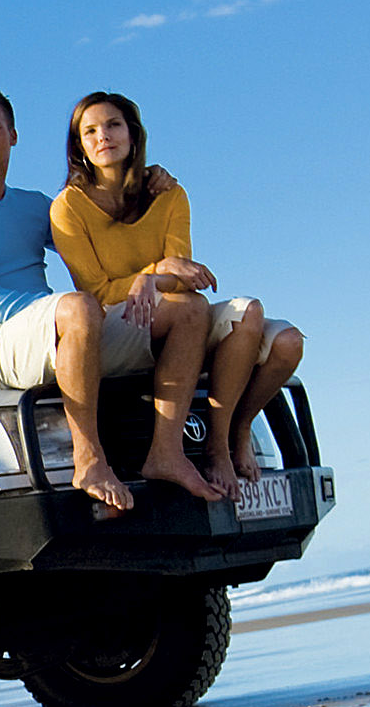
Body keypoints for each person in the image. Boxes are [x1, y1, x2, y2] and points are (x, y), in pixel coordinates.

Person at [0, 87, 216, 515]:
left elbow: (100, 229)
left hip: (58, 329)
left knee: (187, 310)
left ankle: (167, 452)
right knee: (79, 307)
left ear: (13, 136)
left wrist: (145, 182)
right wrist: (63, 315)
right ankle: (89, 461)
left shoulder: (38, 206)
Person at [48, 92, 305, 496]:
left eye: (113, 125)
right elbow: (96, 290)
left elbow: (185, 274)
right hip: (116, 320)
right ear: (78, 146)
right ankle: (166, 453)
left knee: (274, 332)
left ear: (133, 133)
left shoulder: (168, 193)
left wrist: (158, 278)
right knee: (191, 308)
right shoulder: (68, 208)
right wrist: (152, 273)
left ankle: (227, 439)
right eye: (90, 131)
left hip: (173, 307)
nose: (103, 137)